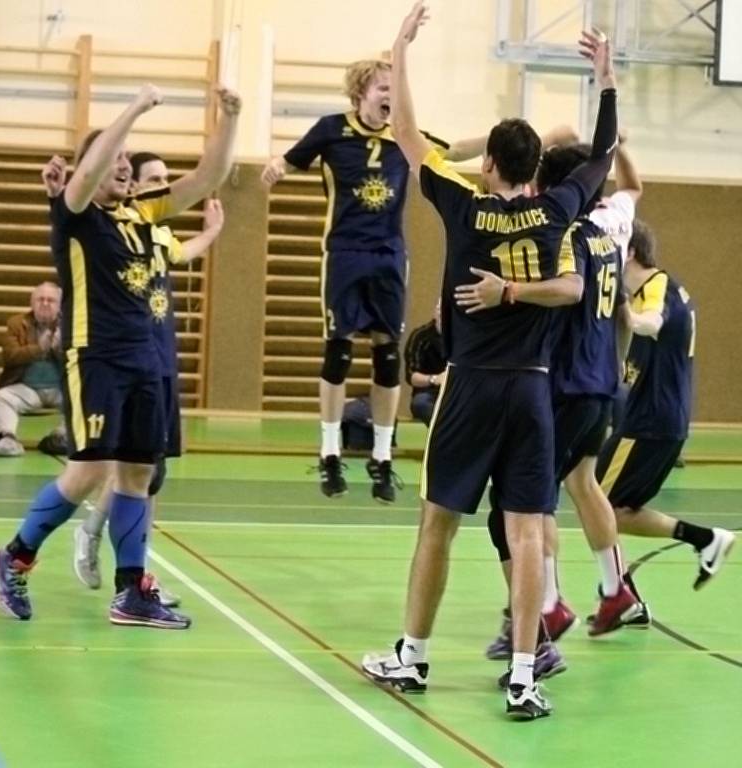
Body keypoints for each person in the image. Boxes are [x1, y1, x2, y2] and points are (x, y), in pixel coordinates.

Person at [361, 3, 617, 721]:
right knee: (529, 530)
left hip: (470, 390)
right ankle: (525, 675)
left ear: (492, 166)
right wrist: (606, 80)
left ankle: (412, 654)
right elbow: (602, 153)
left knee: (438, 523)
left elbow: (409, 138)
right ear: (535, 169)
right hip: (535, 394)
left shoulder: (465, 207)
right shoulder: (558, 209)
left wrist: (401, 49)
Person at [0, 82, 241, 630]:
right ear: (91, 166)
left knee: (137, 473)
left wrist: (232, 119)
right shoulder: (74, 212)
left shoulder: (143, 213)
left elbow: (206, 179)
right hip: (95, 357)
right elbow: (86, 176)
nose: (124, 166)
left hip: (145, 360)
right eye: (116, 158)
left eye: (129, 159)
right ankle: (15, 556)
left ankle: (132, 592)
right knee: (88, 471)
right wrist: (131, 111)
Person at [261, 58, 488, 503]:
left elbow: (455, 150)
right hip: (344, 253)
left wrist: (498, 137)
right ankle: (329, 452)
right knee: (339, 350)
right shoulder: (331, 129)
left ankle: (382, 457)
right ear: (361, 92)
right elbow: (288, 161)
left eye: (395, 88)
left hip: (388, 256)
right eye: (383, 87)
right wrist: (275, 167)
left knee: (386, 356)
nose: (390, 95)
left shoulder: (403, 135)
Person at [477, 137, 645, 664]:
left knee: (526, 497)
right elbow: (634, 186)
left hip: (564, 382)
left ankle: (547, 604)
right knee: (582, 480)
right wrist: (615, 147)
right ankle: (614, 587)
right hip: (603, 383)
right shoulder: (616, 221)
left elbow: (557, 291)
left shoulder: (561, 231)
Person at [58, 151, 225, 599]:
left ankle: (129, 566)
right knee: (115, 468)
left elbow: (183, 252)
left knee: (151, 474)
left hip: (159, 361)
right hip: (121, 358)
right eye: (152, 178)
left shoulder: (154, 232)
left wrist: (210, 232)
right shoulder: (110, 233)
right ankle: (94, 536)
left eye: (163, 179)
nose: (157, 185)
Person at [596, 220, 735, 595]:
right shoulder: (659, 288)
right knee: (617, 510)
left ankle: (618, 596)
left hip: (650, 421)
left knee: (597, 505)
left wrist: (626, 315)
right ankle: (704, 539)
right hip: (659, 419)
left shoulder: (655, 287)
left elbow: (651, 322)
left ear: (630, 252)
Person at [0, 282, 65, 457]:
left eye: (51, 300)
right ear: (32, 303)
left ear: (60, 305)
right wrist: (39, 348)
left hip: (61, 387)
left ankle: (62, 437)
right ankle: (5, 438)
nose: (45, 303)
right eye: (40, 299)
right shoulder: (16, 323)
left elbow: (84, 360)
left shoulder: (71, 326)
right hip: (28, 388)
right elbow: (10, 356)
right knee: (2, 397)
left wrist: (58, 350)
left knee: (84, 396)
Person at [403, 301, 446, 426]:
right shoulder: (420, 337)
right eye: (439, 309)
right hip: (429, 392)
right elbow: (411, 376)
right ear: (435, 312)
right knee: (420, 403)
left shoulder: (464, 337)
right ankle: (444, 433)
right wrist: (434, 379)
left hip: (458, 391)